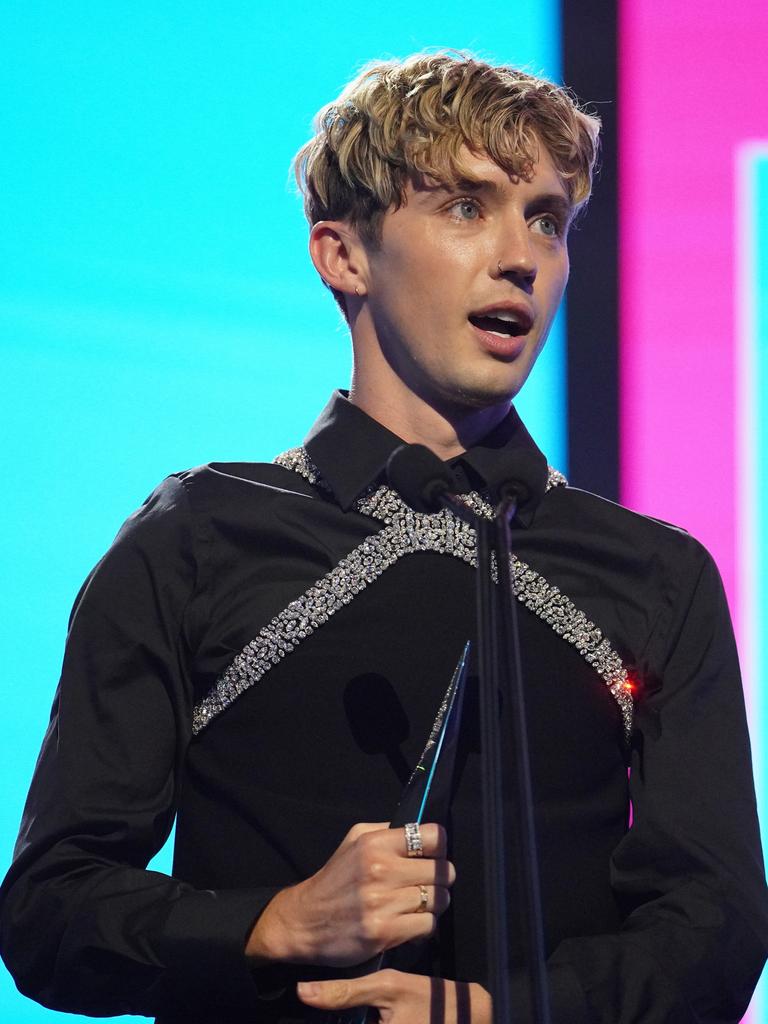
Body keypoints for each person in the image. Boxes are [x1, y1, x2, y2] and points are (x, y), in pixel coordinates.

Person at [1, 51, 766, 1024]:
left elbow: (717, 922)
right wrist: (273, 923)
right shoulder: (197, 538)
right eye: (465, 207)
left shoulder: (654, 574)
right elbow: (48, 909)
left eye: (546, 218)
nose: (520, 256)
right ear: (343, 254)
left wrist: (503, 1013)